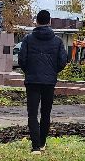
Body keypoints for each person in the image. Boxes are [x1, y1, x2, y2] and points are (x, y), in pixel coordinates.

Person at [18, 9, 69, 152]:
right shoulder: (57, 41)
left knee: (32, 114)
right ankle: (42, 143)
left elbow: (22, 59)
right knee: (46, 113)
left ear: (36, 22)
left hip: (32, 81)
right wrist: (52, 72)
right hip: (49, 82)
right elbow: (62, 61)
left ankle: (35, 147)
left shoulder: (28, 39)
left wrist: (29, 71)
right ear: (50, 22)